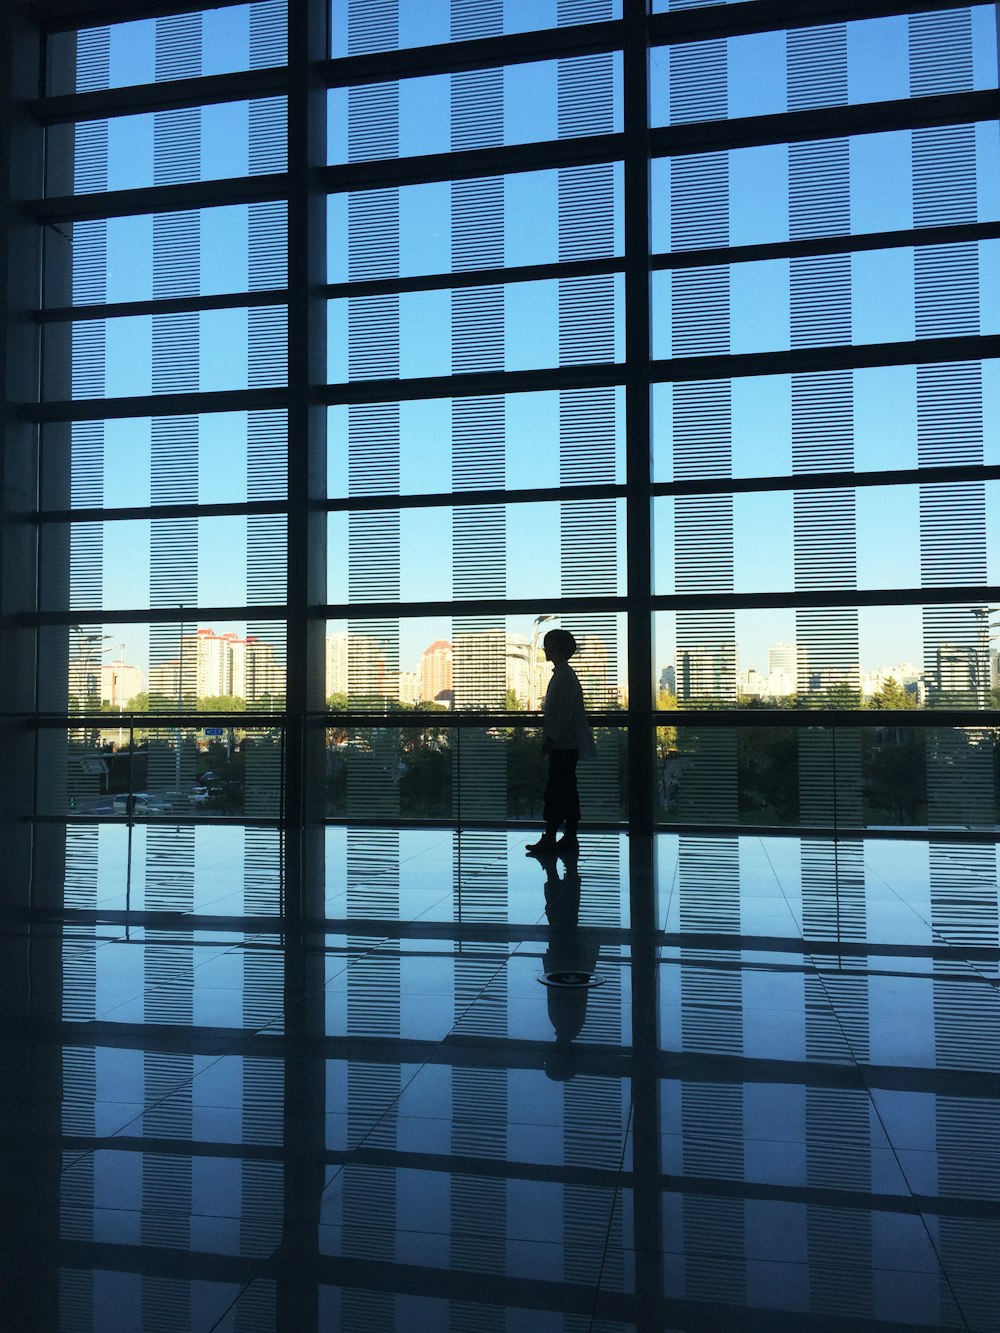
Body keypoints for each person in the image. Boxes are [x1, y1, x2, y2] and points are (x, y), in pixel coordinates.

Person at [526, 628, 597, 857]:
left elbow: (564, 713)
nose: (545, 649)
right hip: (565, 744)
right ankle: (567, 837)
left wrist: (549, 738)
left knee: (556, 791)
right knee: (565, 790)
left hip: (563, 745)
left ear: (558, 649)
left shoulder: (564, 677)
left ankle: (553, 837)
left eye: (548, 645)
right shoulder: (564, 675)